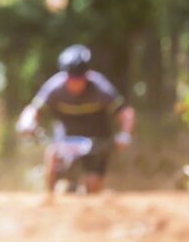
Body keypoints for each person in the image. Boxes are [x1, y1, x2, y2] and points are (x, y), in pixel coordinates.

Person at [16, 44, 136, 194]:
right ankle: (50, 201)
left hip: (97, 140)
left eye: (80, 78)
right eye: (71, 78)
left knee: (93, 185)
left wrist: (125, 135)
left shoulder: (101, 88)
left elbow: (125, 112)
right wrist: (27, 122)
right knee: (52, 156)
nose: (75, 82)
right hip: (66, 137)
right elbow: (33, 109)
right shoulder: (55, 87)